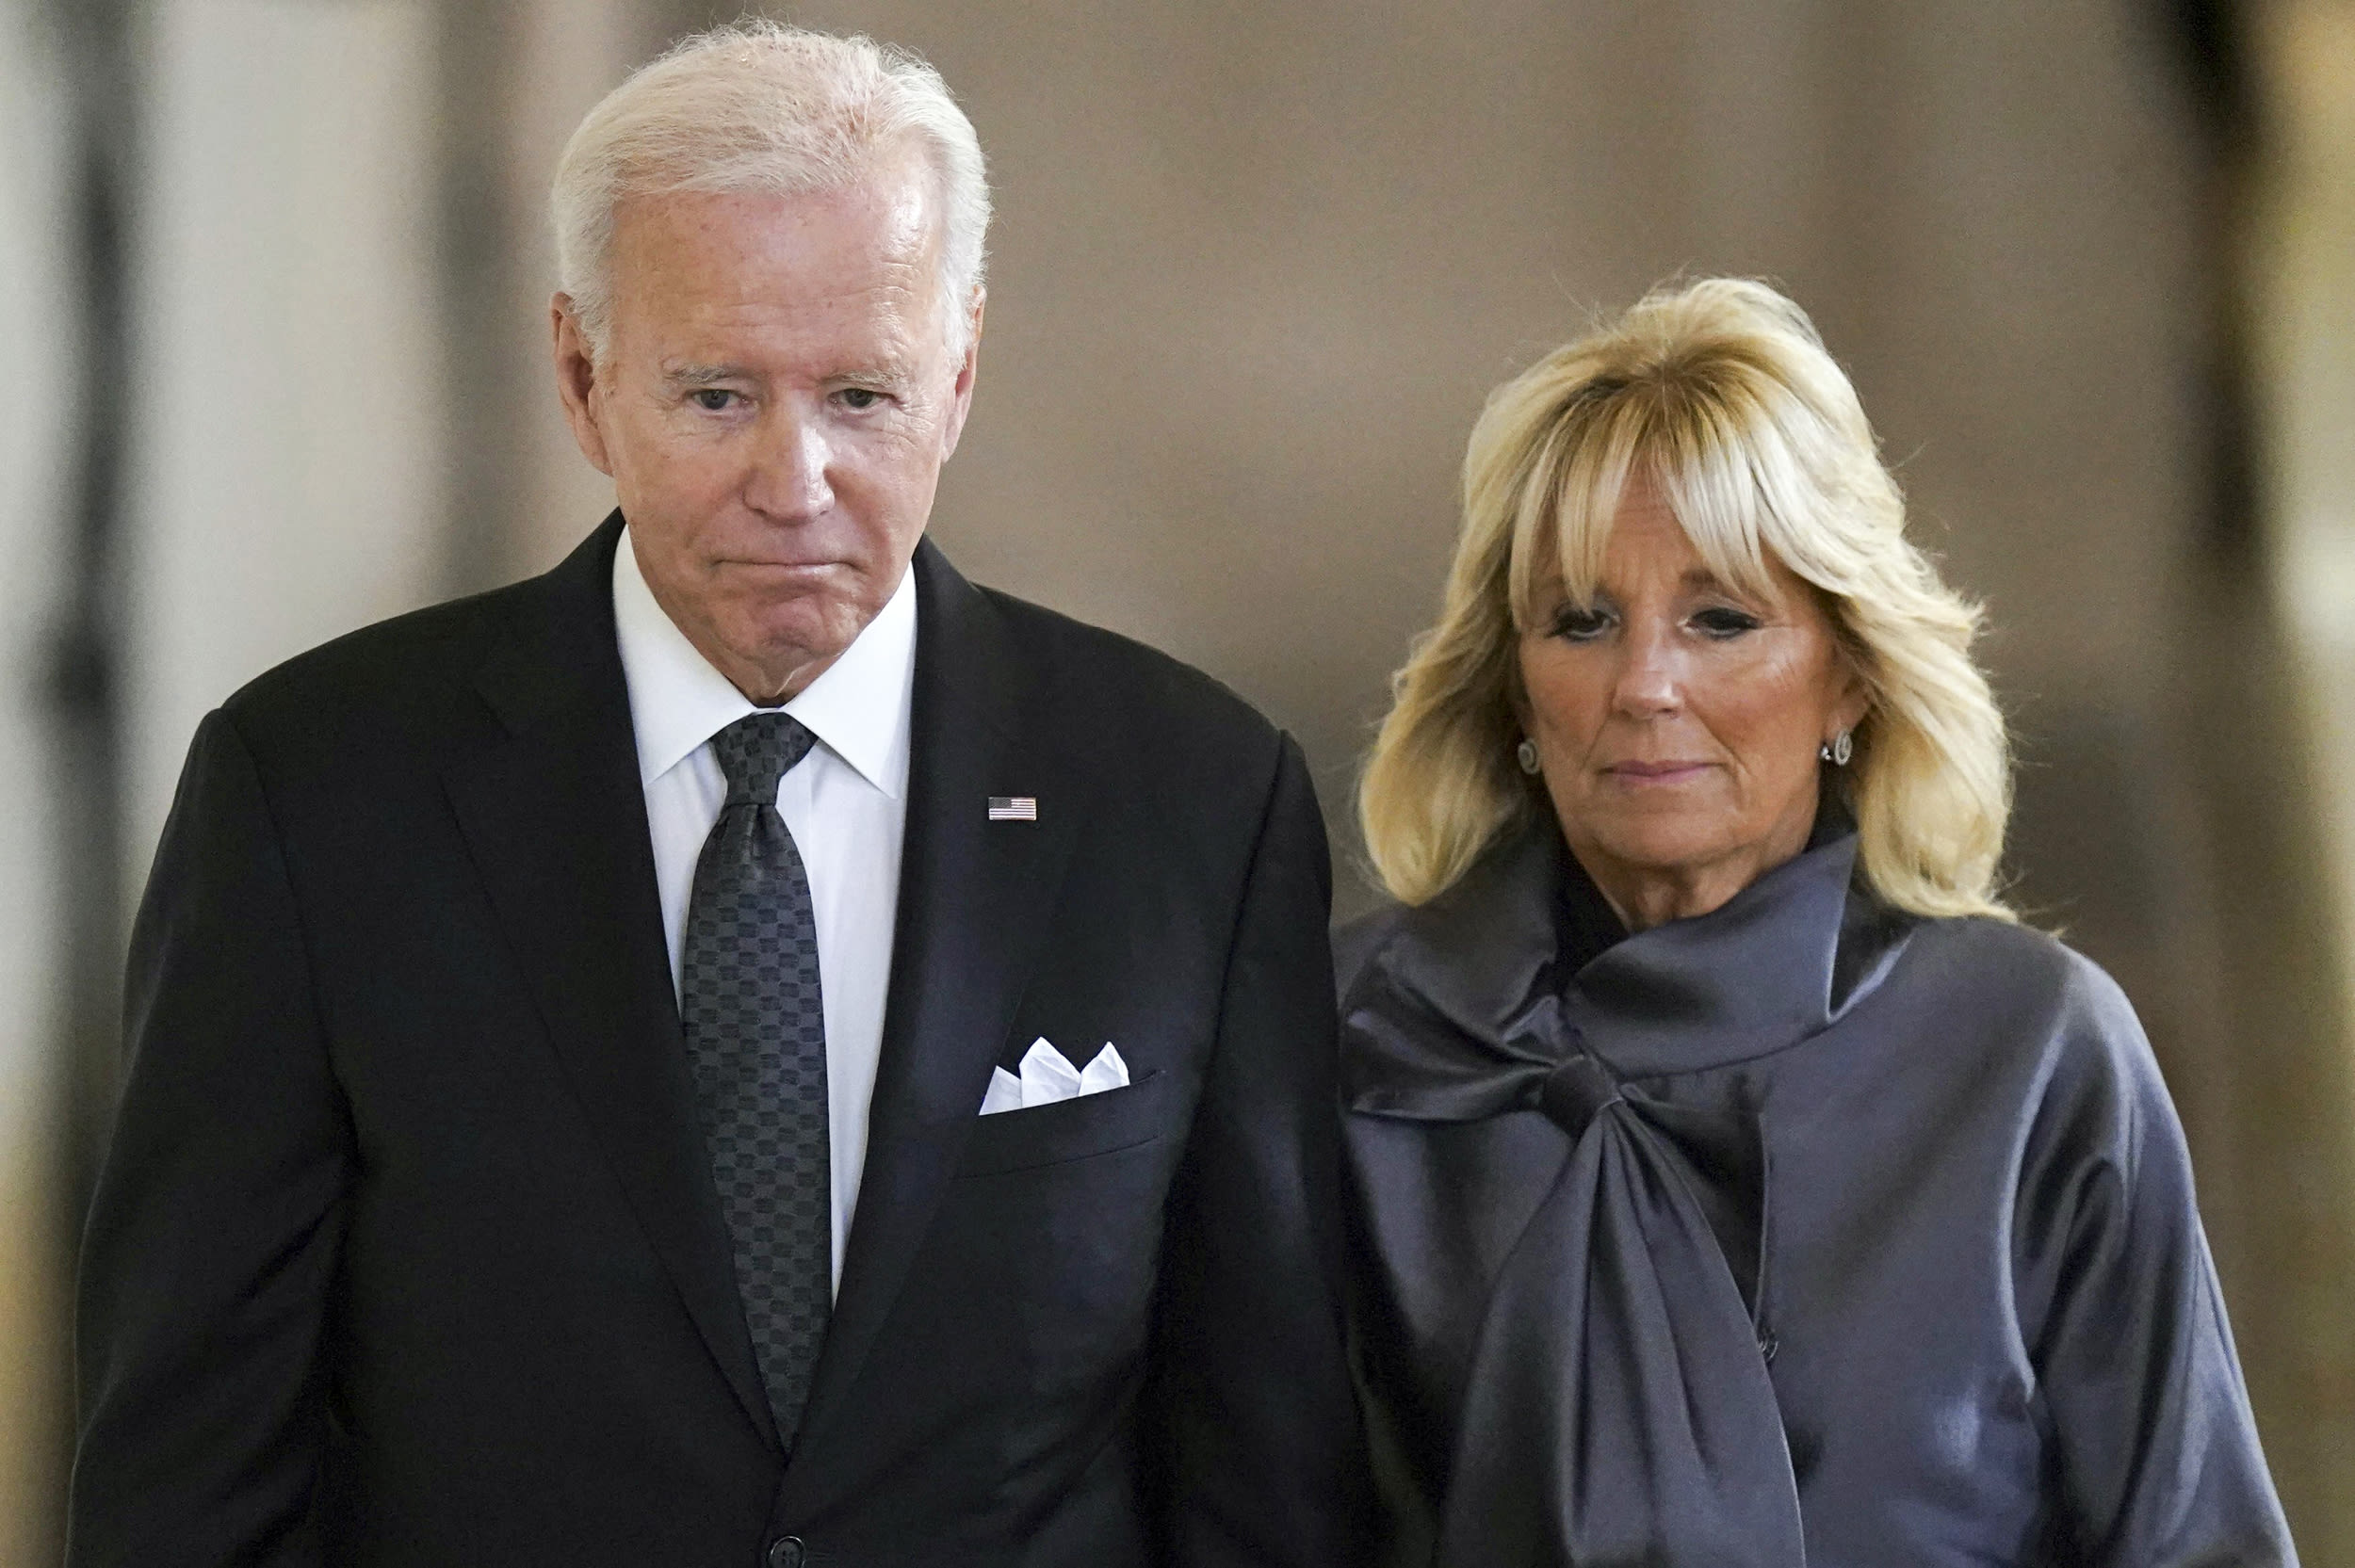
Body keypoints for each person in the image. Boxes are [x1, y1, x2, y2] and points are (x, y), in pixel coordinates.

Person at [69, 23, 1367, 1567]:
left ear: (959, 375)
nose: (794, 480)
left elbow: (1269, 1480)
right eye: (714, 396)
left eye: (863, 396)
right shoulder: (311, 800)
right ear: (579, 375)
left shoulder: (1193, 806)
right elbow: (188, 1488)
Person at [1338, 276, 2297, 1566]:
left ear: (1848, 671)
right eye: (1583, 621)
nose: (1646, 684)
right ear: (1515, 681)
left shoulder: (2031, 1053)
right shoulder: (1359, 1044)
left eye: (1721, 618)